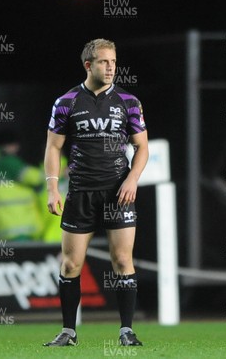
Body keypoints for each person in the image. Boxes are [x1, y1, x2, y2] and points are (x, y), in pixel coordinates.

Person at [43, 38, 148, 347]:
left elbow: (141, 147)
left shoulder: (129, 102)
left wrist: (132, 179)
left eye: (113, 62)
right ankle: (68, 332)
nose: (111, 67)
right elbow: (53, 146)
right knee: (71, 265)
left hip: (118, 193)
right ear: (88, 65)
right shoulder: (67, 102)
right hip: (81, 192)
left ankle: (126, 331)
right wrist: (52, 187)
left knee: (121, 259)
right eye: (104, 62)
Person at [0, 129, 44, 241]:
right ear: (11, 145)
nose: (17, 150)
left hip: (3, 224)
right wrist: (57, 173)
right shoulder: (6, 161)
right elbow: (34, 177)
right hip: (19, 224)